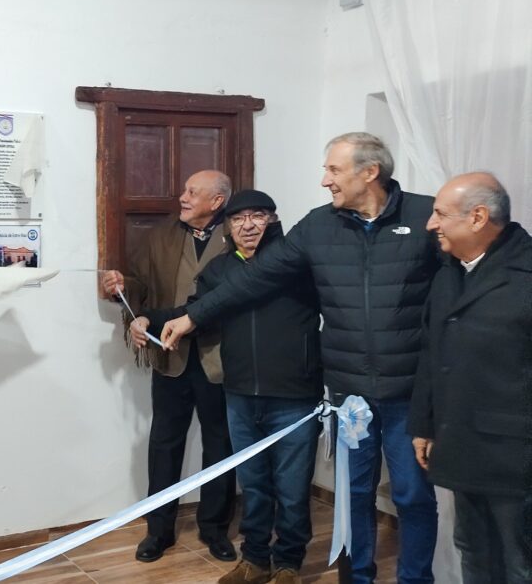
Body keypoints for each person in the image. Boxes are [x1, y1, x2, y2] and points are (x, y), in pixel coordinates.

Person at [162, 133, 440, 584]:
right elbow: (257, 279)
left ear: (368, 173)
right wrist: (192, 317)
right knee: (354, 496)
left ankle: (415, 579)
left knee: (411, 497)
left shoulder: (426, 215)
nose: (324, 180)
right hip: (350, 396)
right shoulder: (318, 225)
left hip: (410, 392)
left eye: (333, 170)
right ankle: (358, 578)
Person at [138, 190, 323, 584]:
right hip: (239, 394)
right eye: (239, 219)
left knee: (291, 490)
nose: (249, 225)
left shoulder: (296, 264)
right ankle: (254, 560)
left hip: (295, 396)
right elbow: (193, 312)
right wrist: (146, 319)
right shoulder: (220, 271)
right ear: (228, 226)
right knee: (254, 486)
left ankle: (288, 565)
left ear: (273, 220)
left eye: (259, 216)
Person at [99, 170, 238, 564]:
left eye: (193, 192)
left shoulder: (236, 237)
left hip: (220, 360)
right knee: (164, 445)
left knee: (221, 447)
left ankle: (215, 529)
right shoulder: (161, 236)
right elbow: (139, 283)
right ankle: (157, 530)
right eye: (184, 190)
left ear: (217, 201)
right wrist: (121, 285)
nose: (183, 197)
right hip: (171, 355)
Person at [410, 172, 532, 583]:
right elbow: (432, 352)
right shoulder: (450, 272)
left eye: (440, 213)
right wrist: (424, 425)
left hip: (517, 459)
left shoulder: (526, 275)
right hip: (462, 445)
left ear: (478, 217)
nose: (431, 224)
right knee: (474, 552)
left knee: (519, 560)